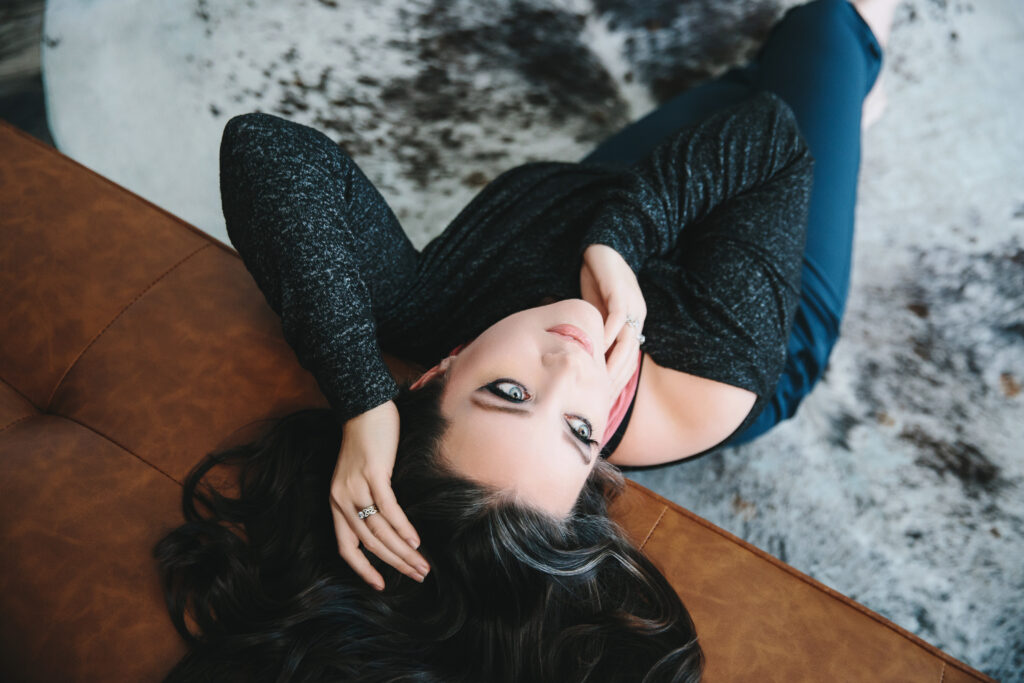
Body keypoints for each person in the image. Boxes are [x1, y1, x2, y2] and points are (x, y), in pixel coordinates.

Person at [156, 0, 898, 680]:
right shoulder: (713, 372)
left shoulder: (428, 308)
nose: (570, 368)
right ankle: (849, 87)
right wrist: (624, 238)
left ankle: (837, 100)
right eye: (579, 431)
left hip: (607, 197)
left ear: (436, 371)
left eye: (508, 393)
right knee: (823, 30)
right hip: (764, 293)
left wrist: (360, 396)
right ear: (597, 471)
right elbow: (770, 141)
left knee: (748, 89)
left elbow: (265, 151)